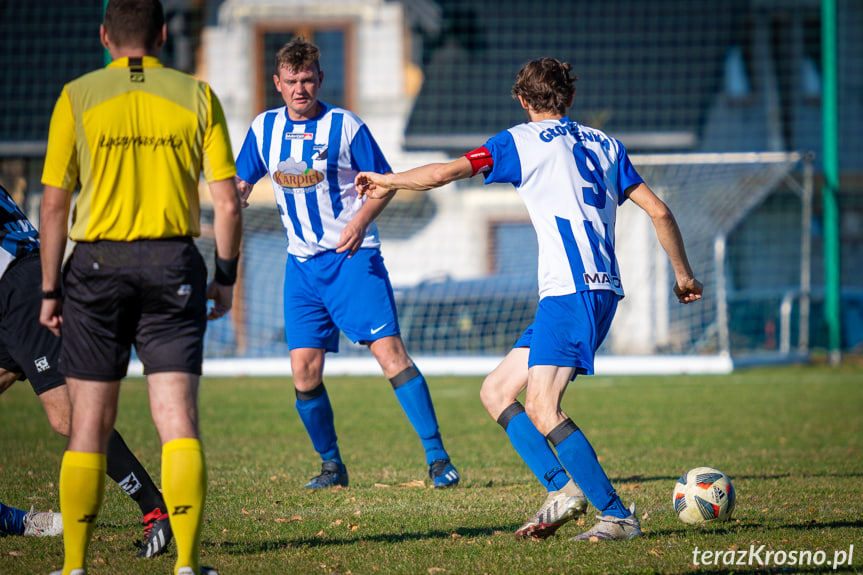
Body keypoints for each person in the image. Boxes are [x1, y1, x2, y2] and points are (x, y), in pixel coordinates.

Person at [355, 57, 703, 541]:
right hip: (595, 288)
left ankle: (617, 515)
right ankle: (562, 490)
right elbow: (660, 212)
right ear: (570, 98)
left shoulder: (517, 140)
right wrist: (683, 275)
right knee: (497, 391)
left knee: (542, 406)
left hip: (570, 290)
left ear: (522, 100)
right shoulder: (606, 144)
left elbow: (444, 173)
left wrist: (388, 180)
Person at [38, 0, 242, 573]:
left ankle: (74, 566)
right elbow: (226, 202)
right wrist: (224, 278)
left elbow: (54, 207)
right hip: (174, 265)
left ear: (105, 36)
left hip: (95, 269)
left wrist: (50, 289)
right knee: (176, 418)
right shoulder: (197, 95)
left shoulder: (77, 95)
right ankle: (187, 565)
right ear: (162, 34)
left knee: (88, 423)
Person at [234, 37, 459, 490]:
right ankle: (332, 467)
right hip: (300, 268)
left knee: (389, 355)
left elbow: (385, 182)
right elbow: (241, 180)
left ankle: (438, 458)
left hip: (353, 259)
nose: (300, 89)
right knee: (303, 369)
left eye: (307, 79)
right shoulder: (263, 129)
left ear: (320, 79)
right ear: (277, 83)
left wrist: (359, 221)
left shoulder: (346, 126)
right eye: (291, 81)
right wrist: (230, 196)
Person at [0, 186, 173, 556]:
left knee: (70, 418)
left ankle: (154, 508)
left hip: (20, 290)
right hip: (17, 288)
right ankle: (6, 519)